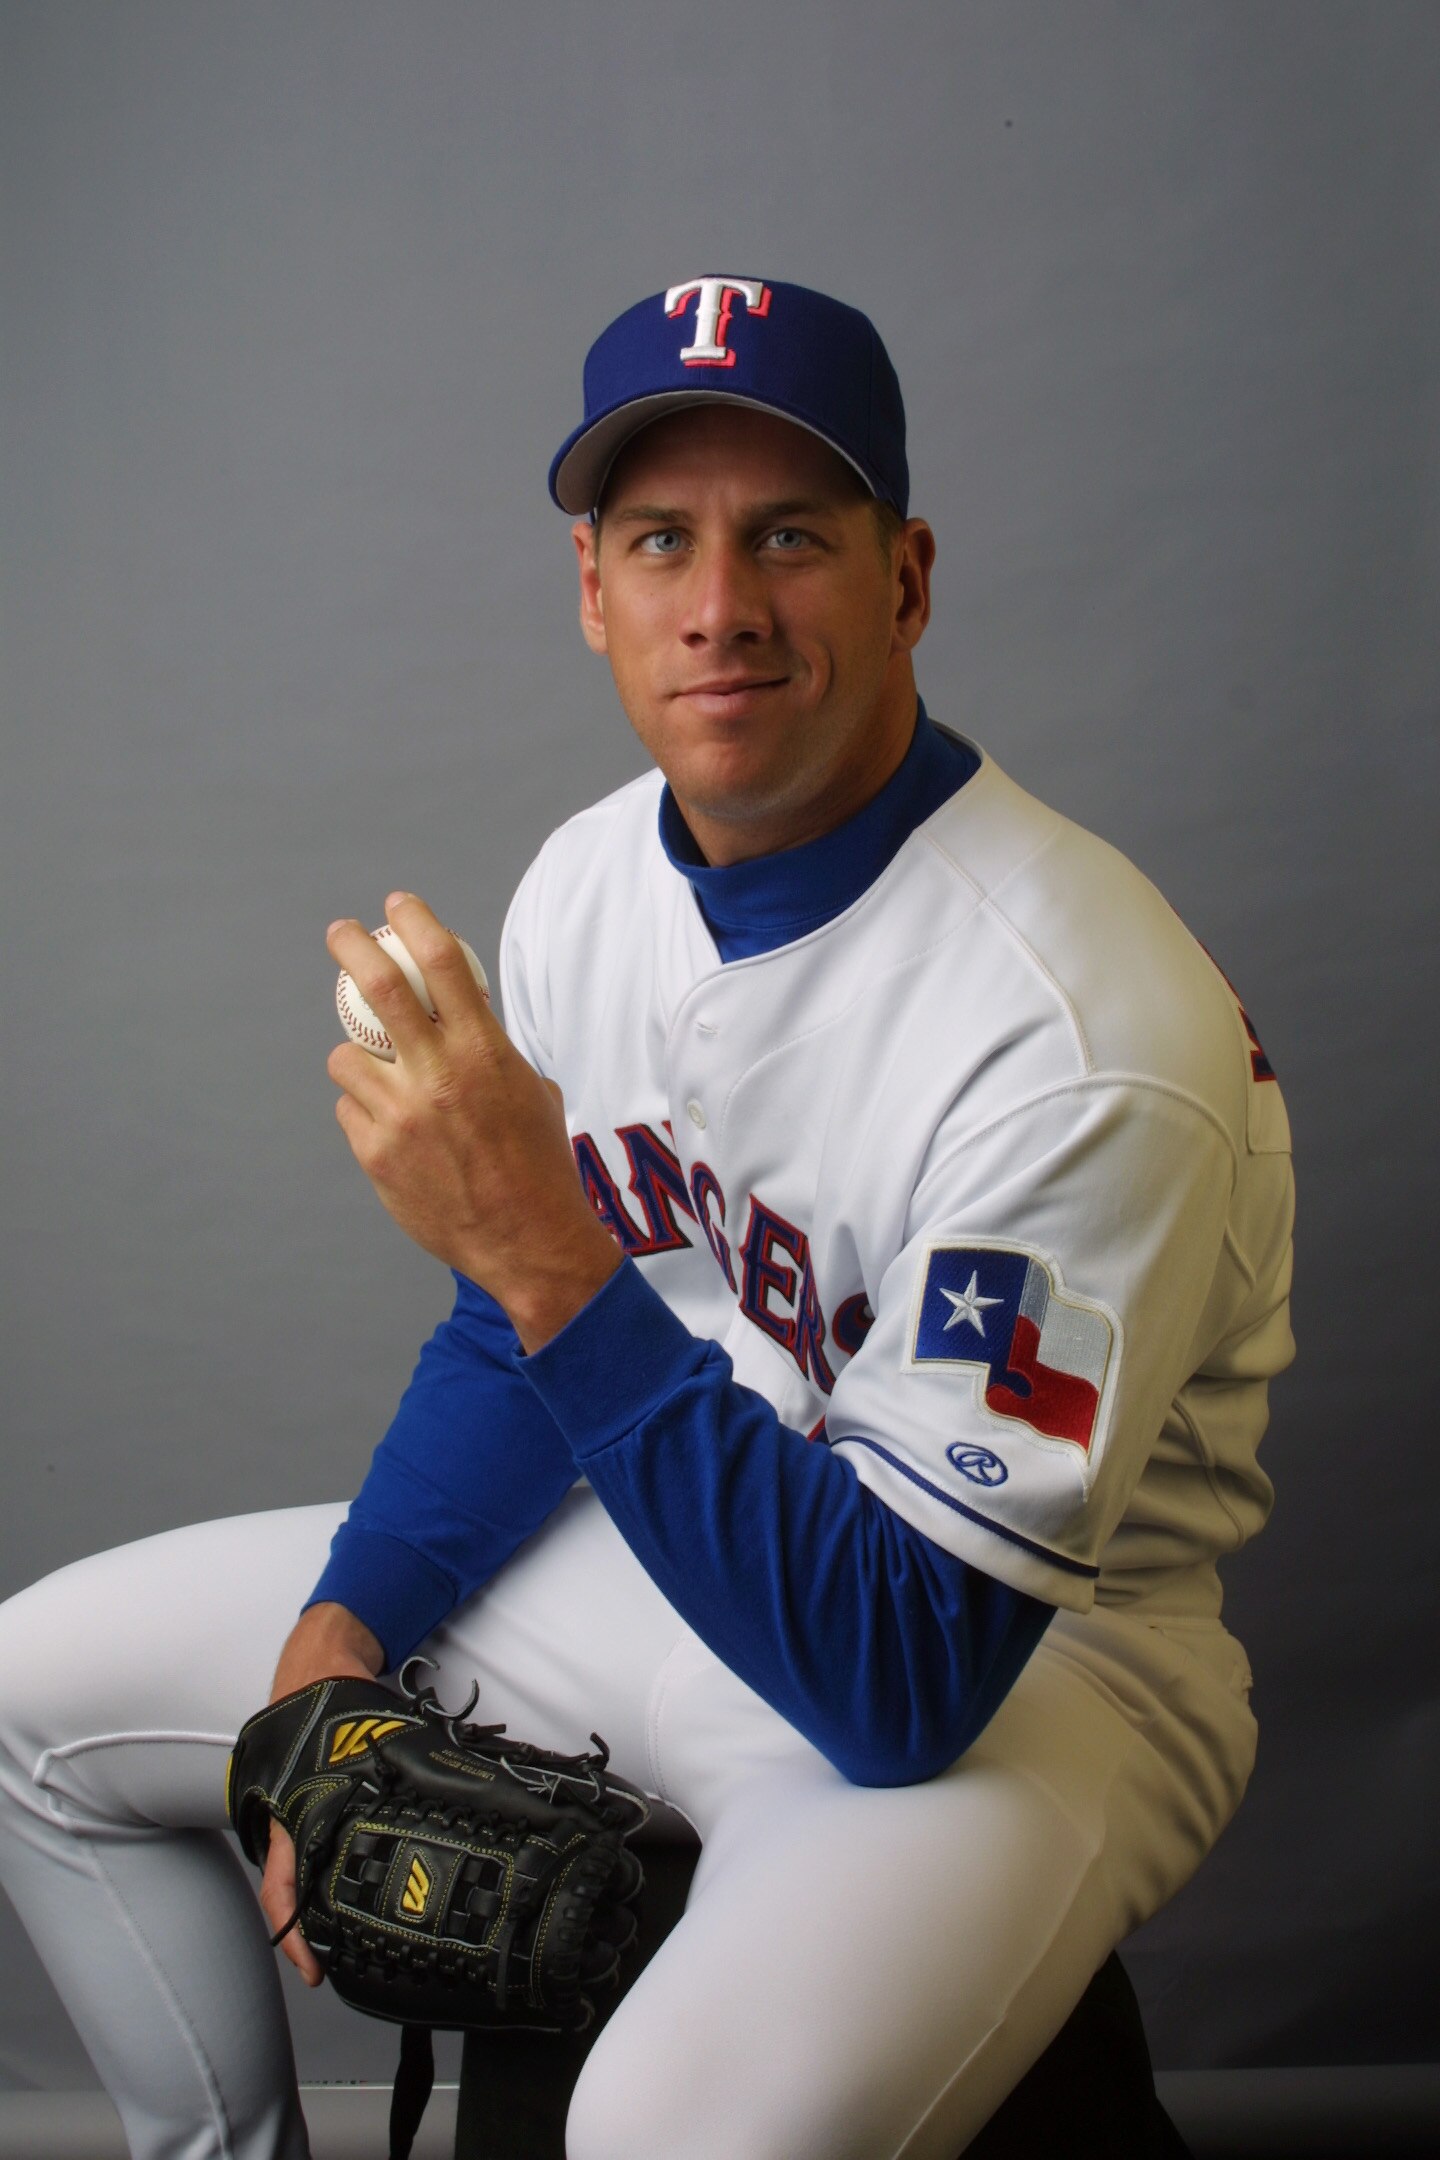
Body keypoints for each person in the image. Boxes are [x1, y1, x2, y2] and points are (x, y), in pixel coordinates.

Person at [0, 277, 1294, 2160]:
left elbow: (905, 1671)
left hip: (1029, 1668)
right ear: (591, 590)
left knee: (675, 2138)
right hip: (679, 1545)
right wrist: (344, 1622)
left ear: (907, 578)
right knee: (29, 1694)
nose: (723, 605)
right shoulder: (593, 880)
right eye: (659, 540)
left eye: (792, 537)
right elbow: (525, 1334)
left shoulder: (1082, 1032)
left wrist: (536, 1243)